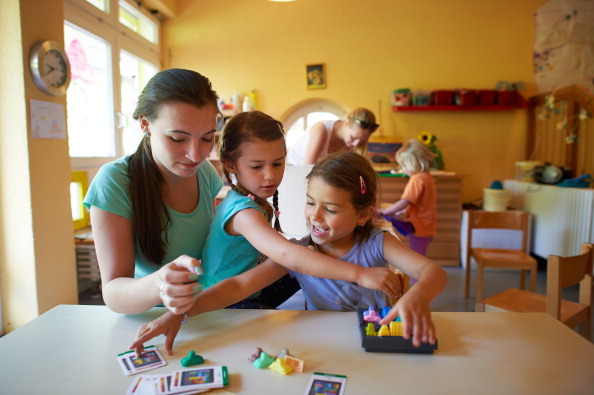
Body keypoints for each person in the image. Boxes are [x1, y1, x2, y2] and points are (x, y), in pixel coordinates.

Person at [130, 151, 447, 355]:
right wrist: (178, 313)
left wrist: (415, 297)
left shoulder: (378, 243)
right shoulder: (300, 254)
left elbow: (435, 273)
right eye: (311, 202)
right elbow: (239, 286)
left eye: (331, 209)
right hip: (323, 349)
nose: (315, 217)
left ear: (363, 214)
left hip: (375, 348)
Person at [83, 68, 224, 315]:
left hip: (204, 311)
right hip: (150, 319)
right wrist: (161, 283)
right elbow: (114, 293)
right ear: (145, 124)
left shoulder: (206, 173)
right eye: (178, 139)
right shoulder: (115, 181)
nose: (195, 155)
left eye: (207, 138)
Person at [378, 139, 437, 256]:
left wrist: (385, 211)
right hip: (427, 225)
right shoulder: (428, 177)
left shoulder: (417, 179)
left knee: (416, 259)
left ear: (414, 163)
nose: (403, 170)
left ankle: (417, 275)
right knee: (419, 256)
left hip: (419, 226)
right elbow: (420, 203)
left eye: (404, 165)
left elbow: (405, 201)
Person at [287, 107, 378, 165]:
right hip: (295, 170)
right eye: (353, 138)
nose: (356, 144)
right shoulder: (321, 129)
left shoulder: (349, 142)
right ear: (346, 123)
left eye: (362, 141)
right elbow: (307, 168)